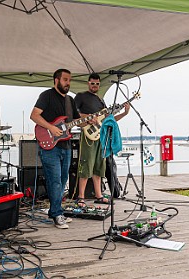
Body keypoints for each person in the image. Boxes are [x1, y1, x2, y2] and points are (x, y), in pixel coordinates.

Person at [30, 69, 82, 229]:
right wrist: (51, 128)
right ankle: (58, 214)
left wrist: (89, 121)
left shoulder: (70, 100)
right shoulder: (47, 95)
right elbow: (34, 115)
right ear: (56, 80)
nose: (68, 83)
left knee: (62, 180)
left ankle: (55, 211)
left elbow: (76, 121)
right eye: (65, 79)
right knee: (55, 181)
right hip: (50, 146)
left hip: (65, 145)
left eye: (69, 80)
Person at [74, 72, 130, 207]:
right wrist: (88, 117)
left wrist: (124, 113)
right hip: (88, 135)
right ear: (88, 83)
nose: (94, 86)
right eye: (92, 83)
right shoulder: (81, 96)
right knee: (86, 164)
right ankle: (80, 197)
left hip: (101, 136)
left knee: (99, 166)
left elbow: (109, 120)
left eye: (97, 84)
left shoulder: (101, 100)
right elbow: (73, 115)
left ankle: (98, 195)